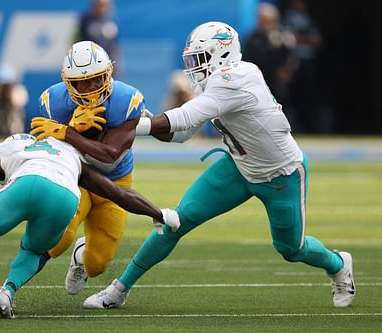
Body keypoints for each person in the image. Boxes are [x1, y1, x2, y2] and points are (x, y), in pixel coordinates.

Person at [82, 21, 355, 310]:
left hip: (280, 174)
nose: (194, 67)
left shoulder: (238, 76)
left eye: (199, 59)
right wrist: (140, 121)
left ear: (222, 53)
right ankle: (119, 289)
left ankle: (338, 264)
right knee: (176, 221)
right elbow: (183, 133)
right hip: (238, 165)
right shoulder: (220, 81)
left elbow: (185, 119)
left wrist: (130, 127)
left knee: (291, 249)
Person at [0, 133, 180, 320]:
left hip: (28, 182)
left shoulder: (16, 143)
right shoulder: (74, 157)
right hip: (66, 197)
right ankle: (6, 293)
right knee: (33, 249)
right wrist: (157, 212)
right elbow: (117, 193)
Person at [0, 40, 148, 303]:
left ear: (108, 74)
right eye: (80, 82)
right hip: (76, 177)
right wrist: (71, 124)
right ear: (67, 82)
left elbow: (110, 154)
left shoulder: (127, 100)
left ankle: (80, 257)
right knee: (57, 238)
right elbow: (46, 152)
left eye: (95, 80)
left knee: (97, 263)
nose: (88, 88)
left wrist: (68, 132)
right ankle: (8, 289)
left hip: (115, 180)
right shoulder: (53, 102)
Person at [243, 2, 297, 128]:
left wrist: (287, 70)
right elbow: (247, 56)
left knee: (279, 103)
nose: (262, 22)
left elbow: (291, 56)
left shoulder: (283, 35)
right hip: (258, 78)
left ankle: (285, 128)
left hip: (276, 78)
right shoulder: (253, 37)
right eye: (260, 19)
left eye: (265, 19)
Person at [282, 0, 324, 133]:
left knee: (309, 95)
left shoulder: (309, 21)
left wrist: (300, 38)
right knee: (292, 96)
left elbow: (318, 42)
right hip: (292, 62)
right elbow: (287, 39)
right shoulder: (288, 19)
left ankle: (310, 127)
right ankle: (293, 126)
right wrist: (306, 39)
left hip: (308, 62)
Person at [75, 0, 122, 76]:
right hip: (88, 62)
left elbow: (114, 45)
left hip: (106, 62)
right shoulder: (85, 20)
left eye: (105, 6)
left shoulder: (112, 22)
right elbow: (76, 39)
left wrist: (116, 61)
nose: (102, 8)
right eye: (100, 5)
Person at [0, 63, 28, 136]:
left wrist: (10, 93)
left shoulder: (18, 90)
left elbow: (17, 106)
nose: (5, 87)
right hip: (0, 113)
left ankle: (14, 134)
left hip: (11, 113)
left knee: (16, 116)